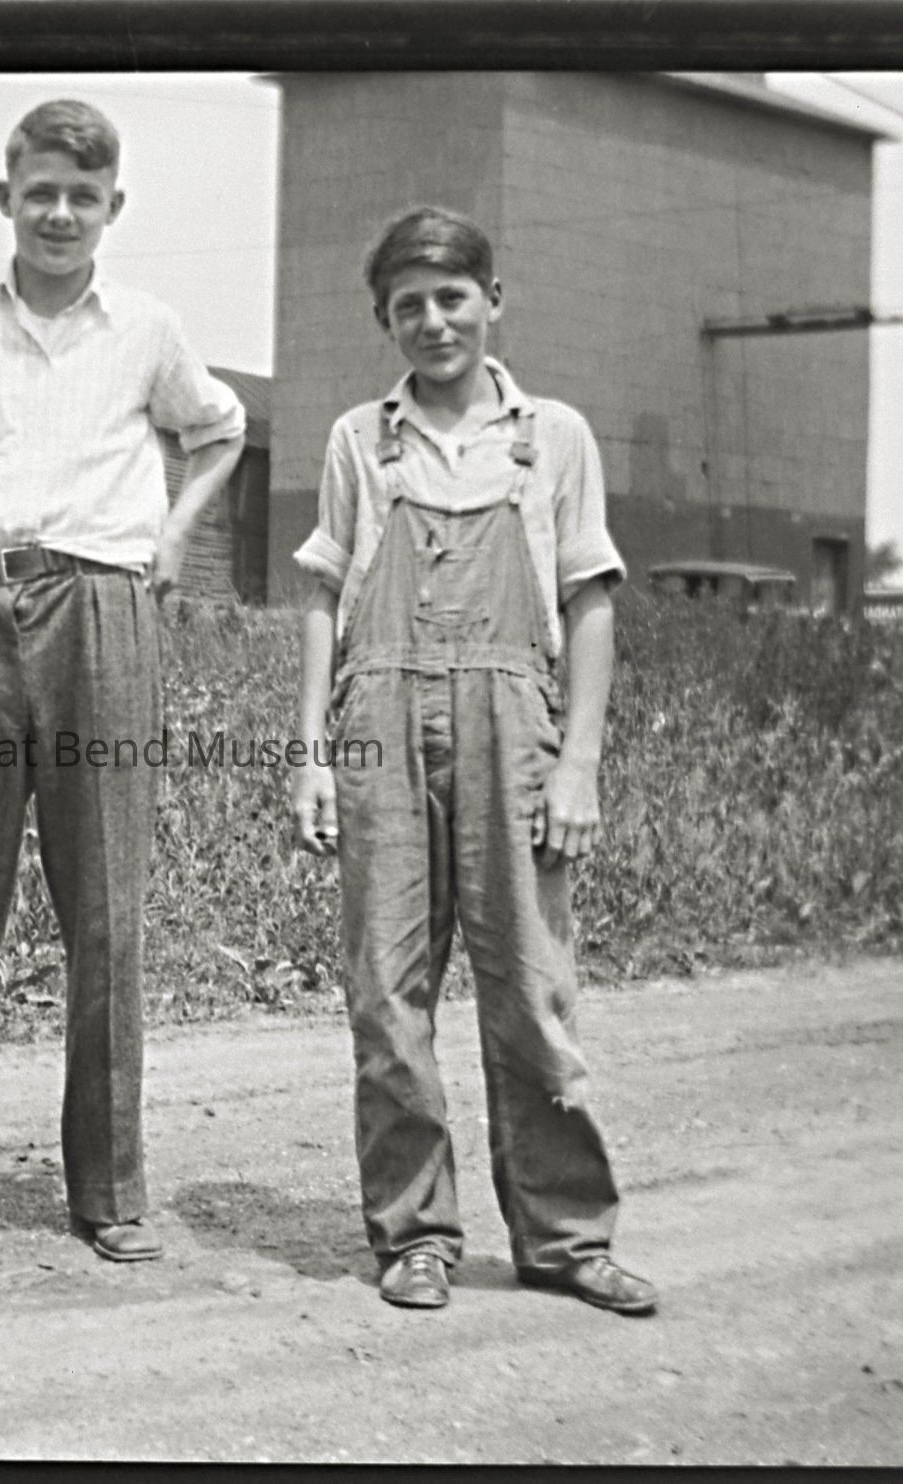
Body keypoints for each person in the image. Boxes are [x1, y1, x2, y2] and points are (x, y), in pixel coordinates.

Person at [0, 99, 246, 1263]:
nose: (59, 214)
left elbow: (219, 432)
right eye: (40, 193)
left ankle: (109, 1186)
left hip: (100, 611)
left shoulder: (149, 330)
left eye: (83, 196)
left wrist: (175, 533)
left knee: (105, 908)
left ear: (113, 206)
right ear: (5, 199)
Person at [288, 205, 658, 1316]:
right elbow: (322, 597)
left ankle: (566, 1237)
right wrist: (311, 752)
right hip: (379, 720)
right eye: (408, 305)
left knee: (532, 989)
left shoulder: (556, 437)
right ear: (384, 320)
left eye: (452, 297)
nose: (433, 321)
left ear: (493, 300)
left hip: (515, 728)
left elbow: (590, 603)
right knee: (386, 990)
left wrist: (579, 763)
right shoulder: (361, 439)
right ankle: (415, 1235)